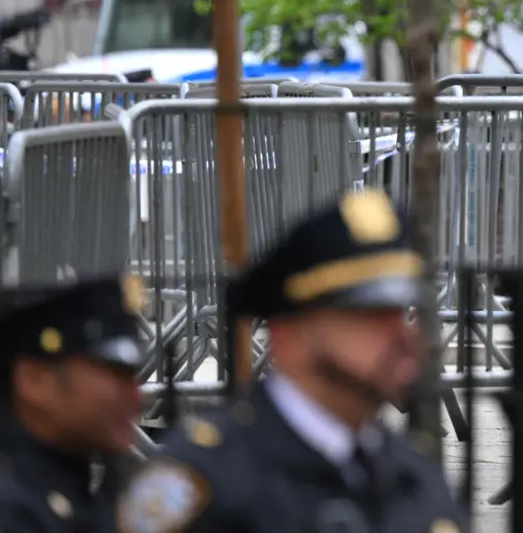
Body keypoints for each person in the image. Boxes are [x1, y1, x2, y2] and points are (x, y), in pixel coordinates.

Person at [115, 188, 464, 533]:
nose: (402, 333)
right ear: (289, 334)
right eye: (369, 314)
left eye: (403, 311)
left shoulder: (412, 474)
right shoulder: (203, 484)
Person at [0, 273, 147, 533]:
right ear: (34, 381)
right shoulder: (14, 512)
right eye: (116, 376)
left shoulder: (80, 488)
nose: (137, 396)